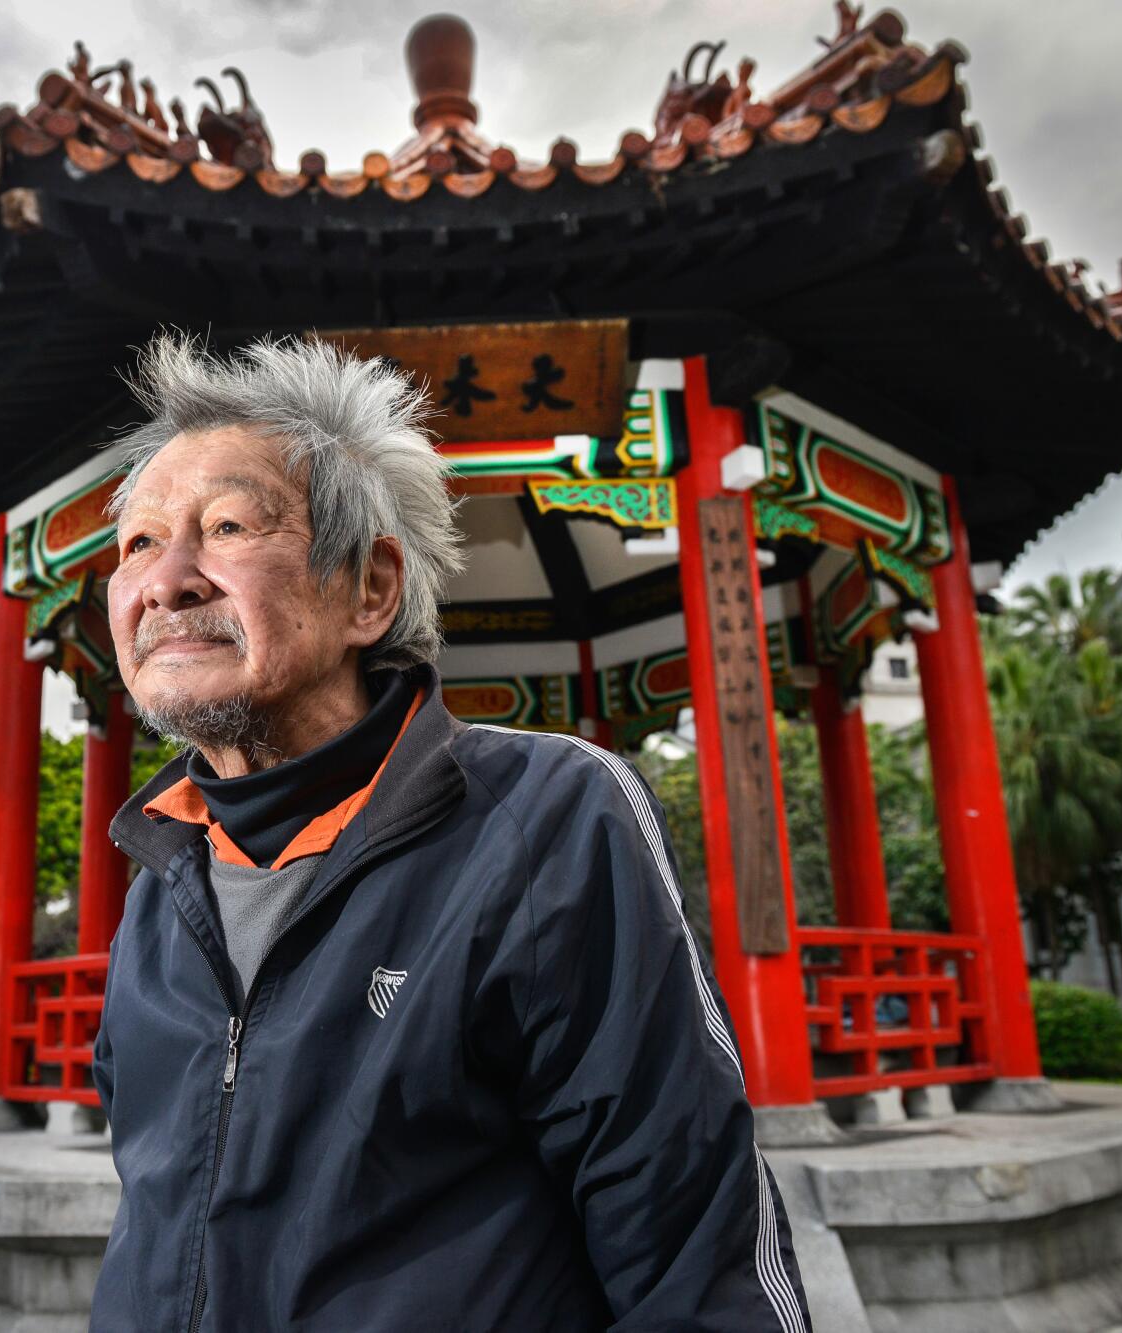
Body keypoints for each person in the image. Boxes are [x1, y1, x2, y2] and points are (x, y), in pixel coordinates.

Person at [90, 334, 809, 1331]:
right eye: (136, 545)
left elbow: (692, 1257)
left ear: (370, 590)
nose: (165, 580)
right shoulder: (160, 880)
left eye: (225, 527)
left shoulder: (543, 821)